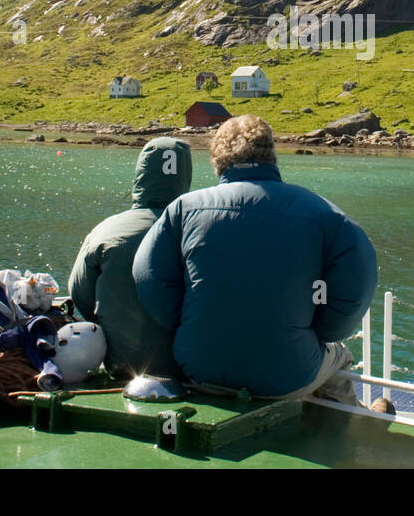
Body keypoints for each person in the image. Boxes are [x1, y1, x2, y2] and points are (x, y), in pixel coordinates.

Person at [133, 115, 377, 404]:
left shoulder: (183, 210)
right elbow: (358, 280)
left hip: (200, 367)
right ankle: (353, 426)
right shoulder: (325, 214)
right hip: (289, 373)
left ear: (217, 159)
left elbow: (148, 276)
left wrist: (185, 322)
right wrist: (323, 331)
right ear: (271, 155)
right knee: (338, 356)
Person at [67, 137, 191, 381]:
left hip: (121, 365)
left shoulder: (107, 229)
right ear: (184, 177)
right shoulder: (197, 230)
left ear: (140, 174)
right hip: (184, 369)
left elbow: (79, 293)